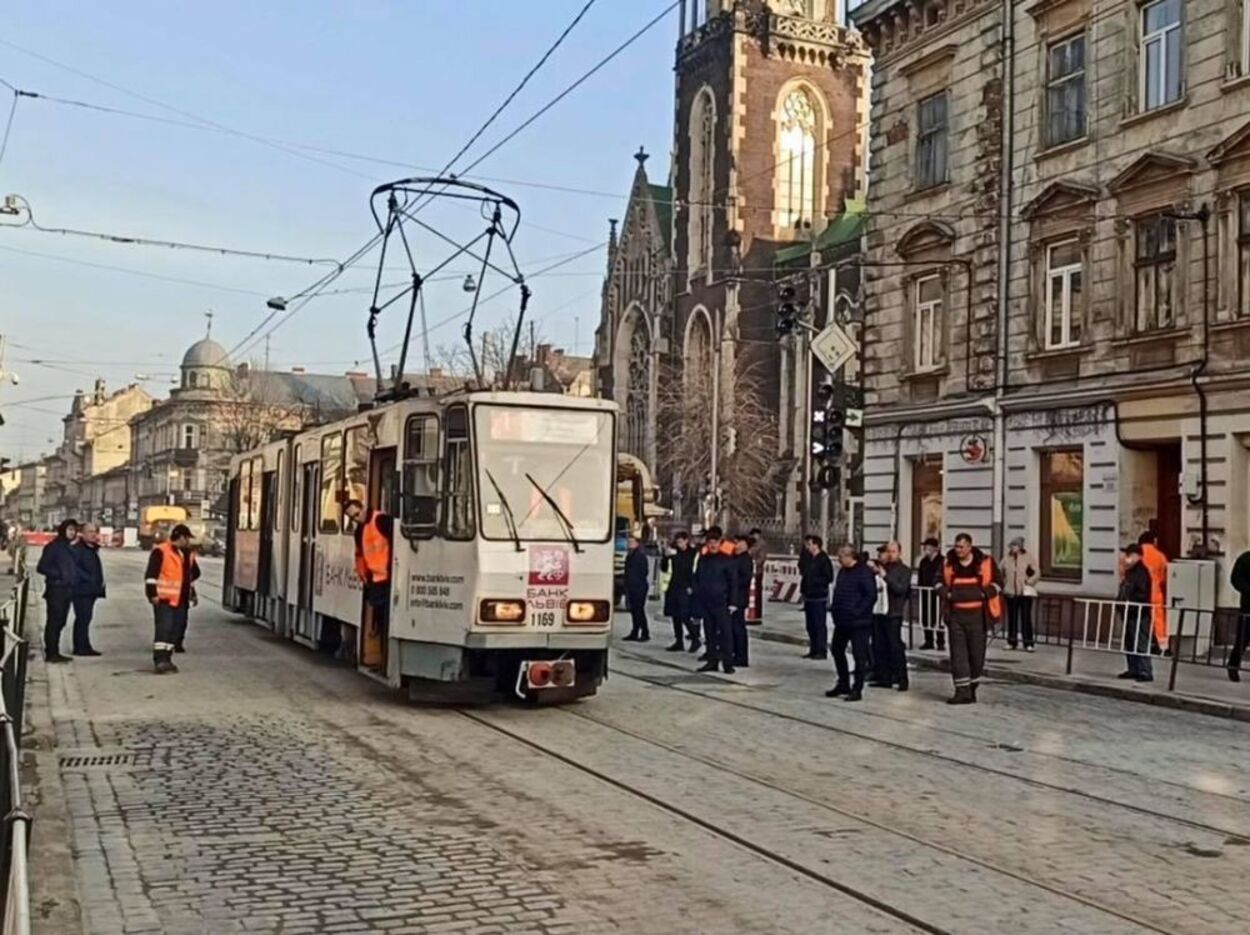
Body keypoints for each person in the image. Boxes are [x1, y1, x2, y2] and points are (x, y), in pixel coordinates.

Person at [939, 532, 1002, 704]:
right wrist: (947, 594)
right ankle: (961, 692)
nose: (958, 550)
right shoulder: (947, 563)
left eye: (961, 547)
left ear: (970, 546)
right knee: (958, 656)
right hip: (956, 617)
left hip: (978, 617)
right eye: (956, 546)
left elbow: (998, 583)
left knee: (976, 656)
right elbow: (938, 582)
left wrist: (983, 594)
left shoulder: (985, 562)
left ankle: (972, 689)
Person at [144, 524, 200, 674]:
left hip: (181, 599)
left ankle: (167, 658)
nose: (189, 541)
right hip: (164, 599)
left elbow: (193, 574)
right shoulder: (161, 551)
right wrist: (152, 594)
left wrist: (192, 593)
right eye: (187, 538)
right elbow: (151, 576)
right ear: (180, 537)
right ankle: (160, 660)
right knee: (164, 629)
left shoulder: (187, 554)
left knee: (175, 630)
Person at [827, 545, 876, 701]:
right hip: (842, 620)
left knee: (859, 655)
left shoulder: (864, 572)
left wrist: (857, 611)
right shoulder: (842, 572)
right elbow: (838, 591)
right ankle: (843, 682)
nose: (839, 560)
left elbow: (870, 596)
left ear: (850, 556)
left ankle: (857, 688)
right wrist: (835, 609)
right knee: (836, 649)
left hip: (859, 622)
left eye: (841, 557)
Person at [345, 498, 394, 650]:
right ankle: (382, 651)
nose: (356, 518)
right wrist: (364, 577)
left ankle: (384, 652)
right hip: (376, 580)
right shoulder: (359, 531)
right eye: (352, 517)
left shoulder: (381, 519)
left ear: (363, 507)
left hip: (389, 578)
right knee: (380, 619)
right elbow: (360, 555)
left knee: (385, 619)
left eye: (357, 514)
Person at [693, 525, 738, 674]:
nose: (712, 545)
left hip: (722, 603)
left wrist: (733, 602)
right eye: (710, 542)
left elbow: (733, 583)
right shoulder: (703, 560)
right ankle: (712, 661)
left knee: (725, 634)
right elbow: (697, 580)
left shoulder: (727, 560)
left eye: (715, 542)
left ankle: (728, 663)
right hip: (706, 602)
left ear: (720, 543)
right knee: (709, 633)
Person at [36, 518, 80, 663]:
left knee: (61, 621)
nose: (72, 533)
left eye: (74, 530)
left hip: (67, 589)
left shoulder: (70, 548)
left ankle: (55, 651)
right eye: (69, 530)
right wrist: (59, 575)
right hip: (56, 589)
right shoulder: (53, 547)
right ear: (63, 530)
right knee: (54, 622)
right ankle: (51, 653)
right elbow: (42, 567)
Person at [873, 541, 911, 691]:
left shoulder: (904, 570)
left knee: (895, 646)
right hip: (879, 611)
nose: (890, 554)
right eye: (888, 551)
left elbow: (900, 589)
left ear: (899, 552)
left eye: (893, 551)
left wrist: (885, 576)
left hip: (894, 612)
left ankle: (902, 679)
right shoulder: (882, 567)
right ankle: (884, 677)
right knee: (879, 646)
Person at [1116, 544, 1154, 683]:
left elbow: (1142, 593)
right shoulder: (1130, 571)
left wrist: (1130, 603)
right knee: (1130, 642)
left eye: (1129, 555)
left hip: (1139, 612)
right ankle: (1133, 669)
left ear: (1137, 556)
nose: (1127, 558)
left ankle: (1145, 671)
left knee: (1140, 642)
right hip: (1129, 612)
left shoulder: (1141, 572)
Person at [70, 522, 105, 657]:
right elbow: (75, 568)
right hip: (81, 590)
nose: (93, 534)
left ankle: (84, 645)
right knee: (82, 618)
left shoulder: (92, 548)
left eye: (94, 531)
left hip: (91, 590)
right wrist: (88, 578)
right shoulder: (78, 549)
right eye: (90, 532)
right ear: (82, 534)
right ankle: (80, 647)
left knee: (86, 618)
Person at [661, 532, 699, 653]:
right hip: (673, 587)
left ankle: (695, 638)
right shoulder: (673, 552)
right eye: (677, 542)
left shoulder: (692, 553)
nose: (679, 544)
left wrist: (692, 586)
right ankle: (679, 641)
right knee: (675, 616)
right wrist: (666, 556)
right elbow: (664, 568)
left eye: (681, 541)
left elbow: (692, 569)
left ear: (686, 541)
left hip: (685, 588)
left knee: (685, 615)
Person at [1001, 537, 1039, 652]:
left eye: (1015, 546)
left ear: (1020, 547)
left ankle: (1028, 643)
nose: (1013, 548)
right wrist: (1005, 584)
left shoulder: (1028, 557)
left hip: (1024, 592)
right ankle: (1012, 642)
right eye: (1011, 546)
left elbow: (1037, 572)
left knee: (1025, 617)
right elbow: (1001, 571)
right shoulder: (1007, 558)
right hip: (1011, 592)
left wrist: (1030, 581)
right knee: (1012, 618)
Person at [799, 536, 834, 659]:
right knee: (811, 625)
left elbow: (828, 577)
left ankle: (821, 650)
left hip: (819, 596)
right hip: (809, 595)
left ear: (816, 545)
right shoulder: (809, 559)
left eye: (809, 544)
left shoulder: (823, 559)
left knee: (819, 624)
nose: (807, 547)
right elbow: (803, 572)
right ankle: (813, 648)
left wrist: (815, 582)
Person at [1138, 531, 1169, 654]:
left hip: (1139, 592)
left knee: (1139, 618)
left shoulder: (1137, 554)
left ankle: (1141, 644)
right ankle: (1162, 646)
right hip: (1155, 592)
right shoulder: (1160, 556)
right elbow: (1163, 577)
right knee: (1158, 619)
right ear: (1154, 541)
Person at [916, 537, 945, 651]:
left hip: (938, 594)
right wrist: (920, 587)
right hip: (926, 593)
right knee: (926, 618)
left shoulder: (942, 561)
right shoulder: (924, 562)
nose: (925, 549)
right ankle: (928, 640)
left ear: (935, 548)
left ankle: (940, 642)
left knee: (938, 618)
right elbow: (921, 576)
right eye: (925, 547)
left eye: (928, 547)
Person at [623, 534, 651, 642]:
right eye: (629, 542)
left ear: (637, 544)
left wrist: (635, 581)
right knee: (634, 611)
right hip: (631, 586)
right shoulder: (630, 555)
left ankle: (645, 633)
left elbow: (643, 571)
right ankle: (635, 631)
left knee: (639, 610)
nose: (629, 544)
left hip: (639, 587)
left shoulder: (640, 556)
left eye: (632, 542)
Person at [731, 535, 754, 667]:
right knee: (733, 627)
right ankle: (734, 652)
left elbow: (745, 580)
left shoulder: (745, 560)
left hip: (739, 598)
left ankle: (741, 656)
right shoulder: (735, 558)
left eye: (740, 542)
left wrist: (732, 584)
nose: (737, 544)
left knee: (738, 627)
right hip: (733, 597)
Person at [1228, 549, 1250, 682]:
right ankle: (1233, 666)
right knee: (1242, 640)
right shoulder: (1246, 559)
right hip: (1248, 608)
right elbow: (1236, 579)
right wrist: (1248, 590)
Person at [748, 528, 767, 622]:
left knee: (757, 592)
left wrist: (754, 564)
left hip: (757, 571)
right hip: (751, 570)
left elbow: (762, 557)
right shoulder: (752, 543)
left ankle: (757, 611)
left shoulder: (761, 544)